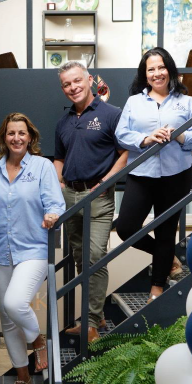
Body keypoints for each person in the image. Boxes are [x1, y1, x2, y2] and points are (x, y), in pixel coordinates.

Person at [114, 47, 192, 303]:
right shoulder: (134, 102)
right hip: (142, 173)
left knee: (167, 232)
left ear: (170, 70)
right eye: (151, 69)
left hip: (176, 174)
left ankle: (156, 290)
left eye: (161, 67)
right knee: (126, 227)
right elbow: (121, 134)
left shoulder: (186, 102)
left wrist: (180, 134)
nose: (157, 73)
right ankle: (166, 258)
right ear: (145, 75)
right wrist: (146, 139)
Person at [0, 112, 65, 384]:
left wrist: (53, 214)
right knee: (7, 318)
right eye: (10, 133)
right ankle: (23, 379)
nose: (16, 138)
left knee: (15, 303)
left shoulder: (42, 166)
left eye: (21, 133)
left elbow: (55, 202)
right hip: (1, 252)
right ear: (3, 138)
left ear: (30, 137)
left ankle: (39, 341)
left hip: (33, 248)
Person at [54, 61, 129, 343]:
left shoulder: (111, 113)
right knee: (78, 257)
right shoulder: (63, 120)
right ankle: (91, 317)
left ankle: (93, 322)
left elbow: (124, 154)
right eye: (66, 84)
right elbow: (58, 158)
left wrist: (103, 184)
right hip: (69, 196)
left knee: (94, 257)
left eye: (76, 81)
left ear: (88, 80)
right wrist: (60, 184)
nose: (72, 87)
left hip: (98, 196)